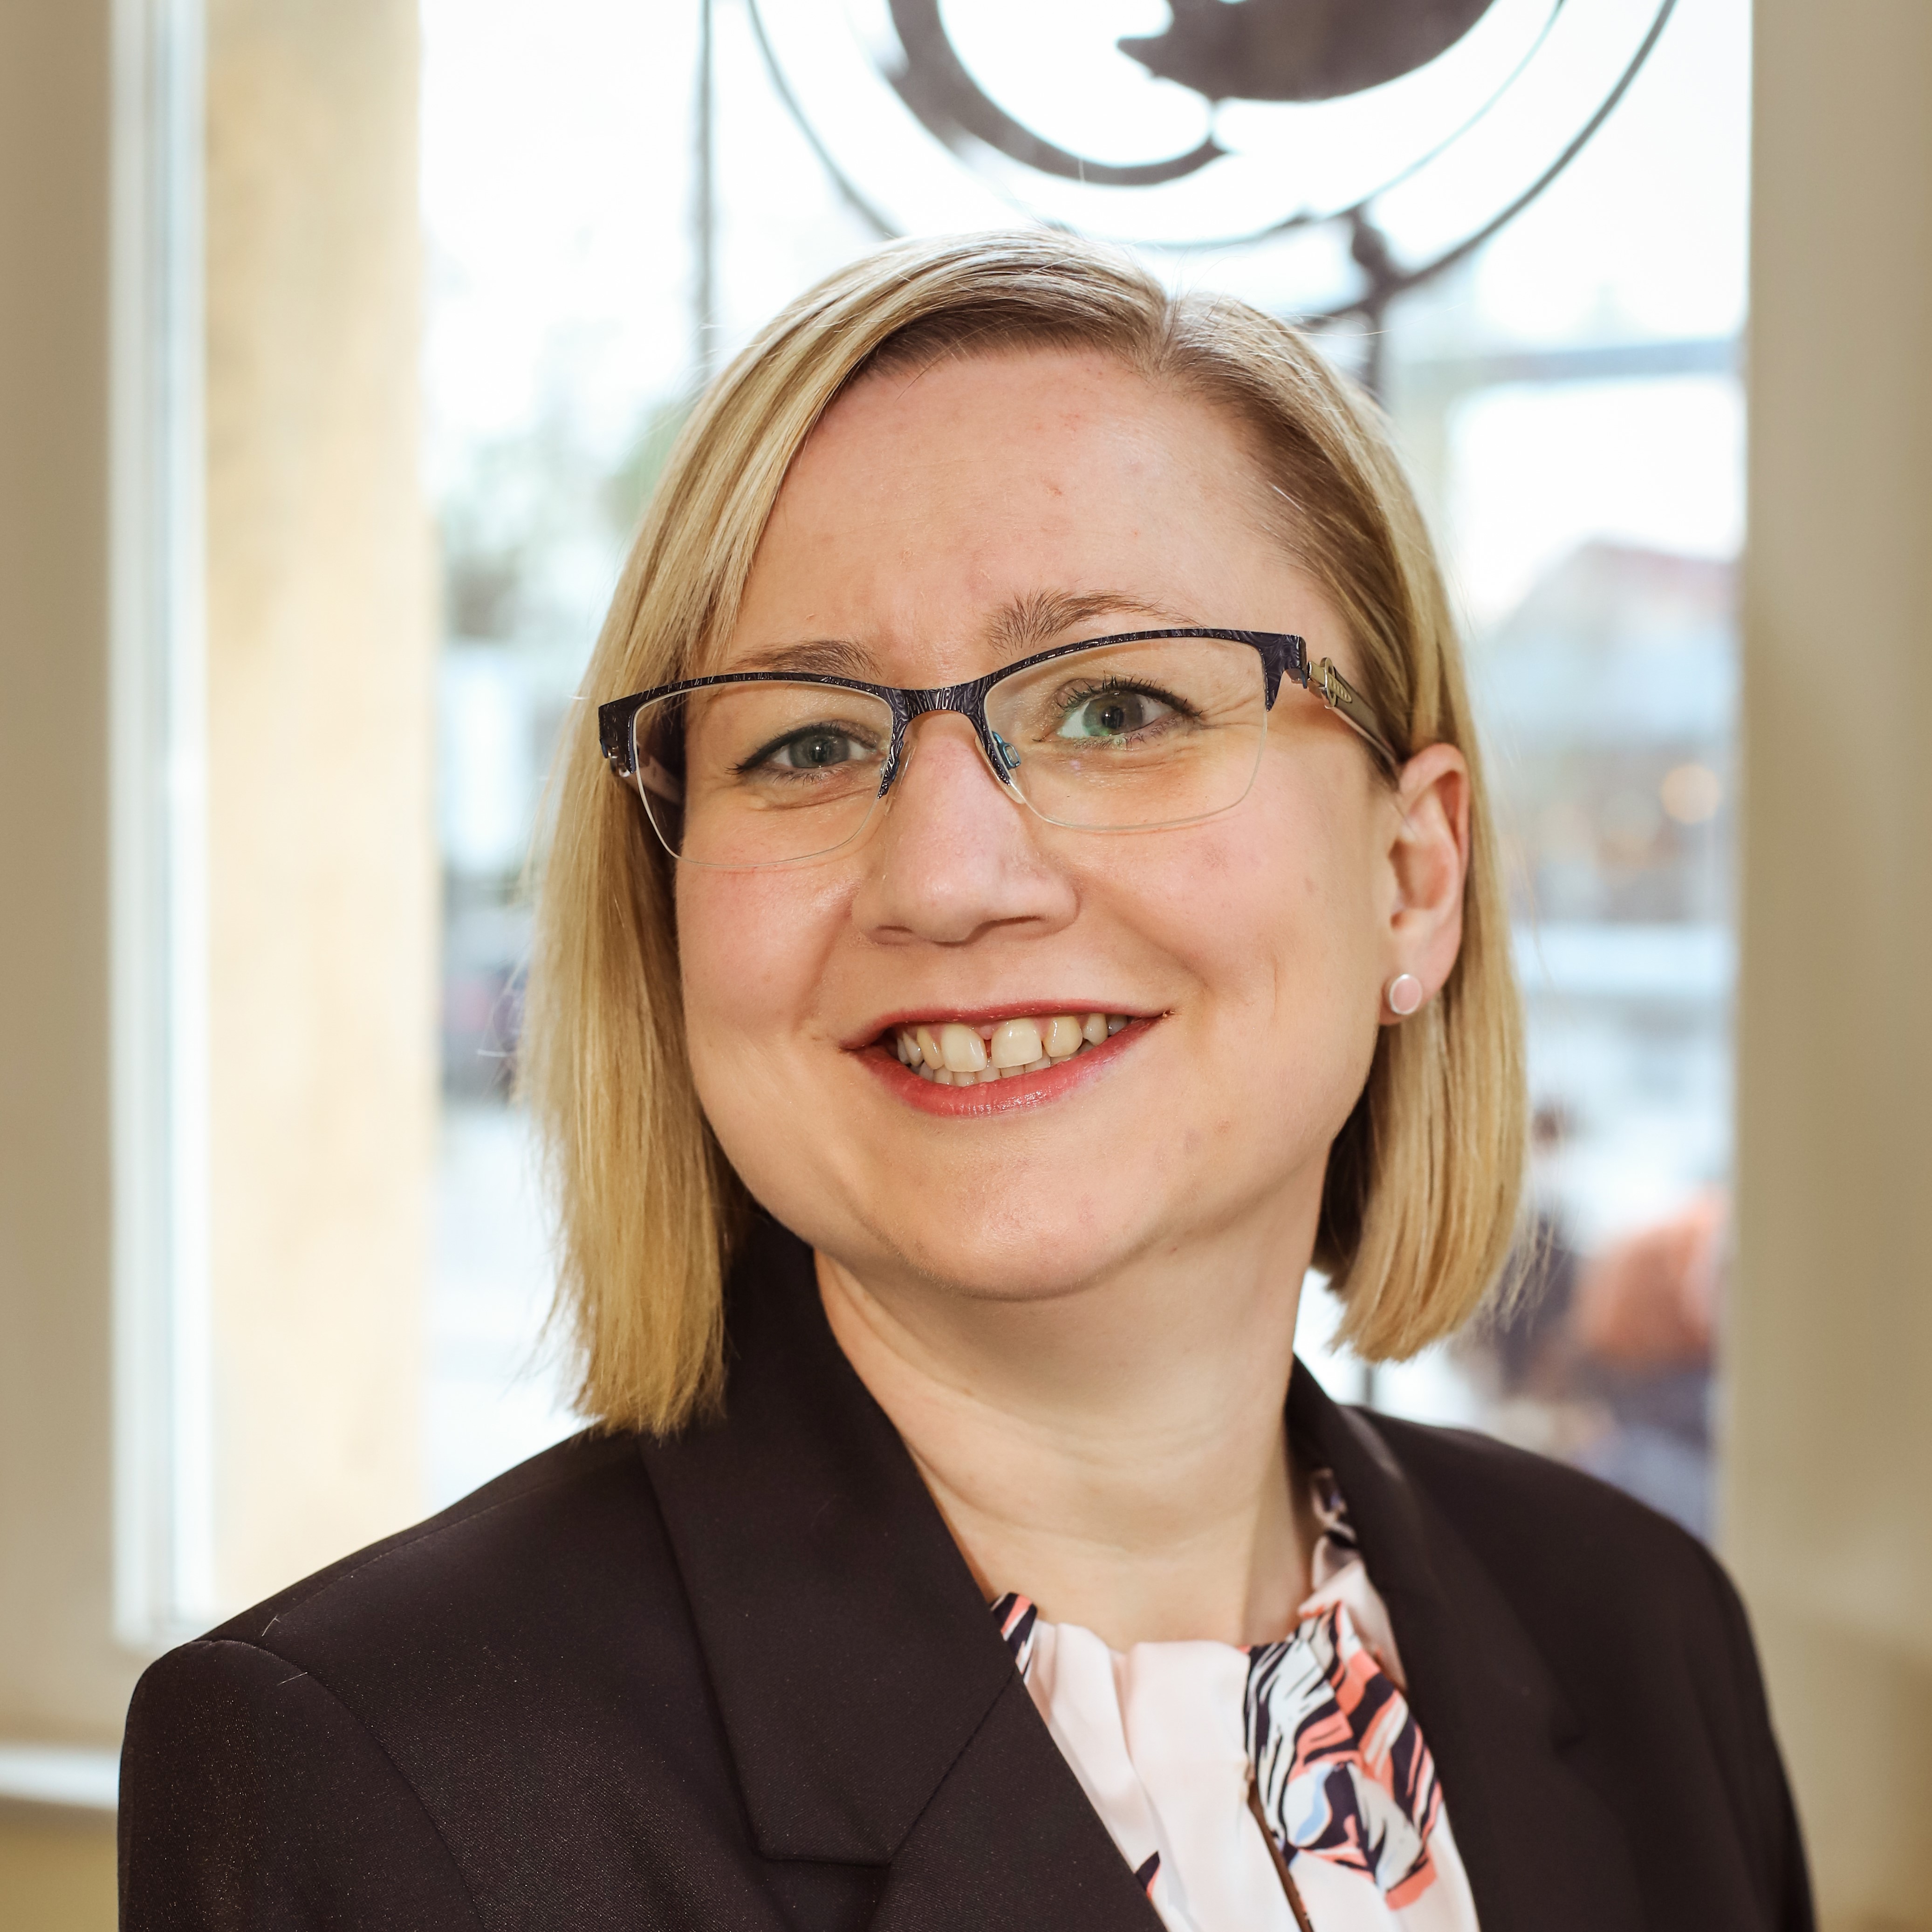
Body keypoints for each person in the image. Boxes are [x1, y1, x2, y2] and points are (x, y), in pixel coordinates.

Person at [119, 233, 1810, 1931]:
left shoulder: (1644, 1629)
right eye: (806, 740)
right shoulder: (379, 1775)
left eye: (1119, 705)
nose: (945, 871)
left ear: (1413, 875)